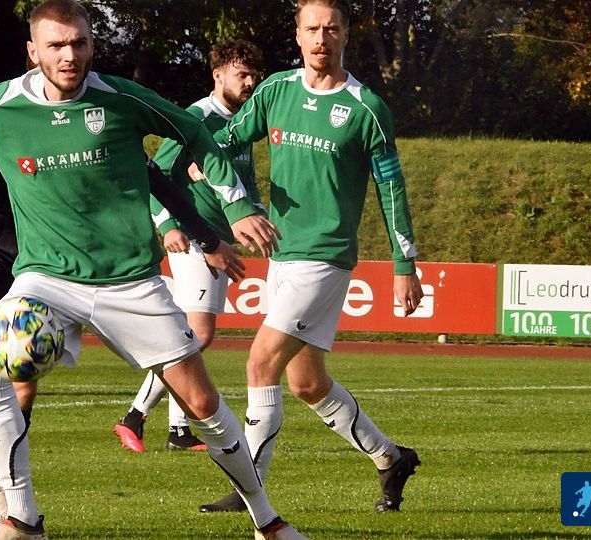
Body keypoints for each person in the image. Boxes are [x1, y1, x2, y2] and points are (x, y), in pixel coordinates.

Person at [0, 1, 308, 538]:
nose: (68, 55)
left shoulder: (121, 99)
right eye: (55, 45)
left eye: (78, 43)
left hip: (131, 281)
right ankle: (21, 519)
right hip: (45, 277)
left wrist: (233, 210)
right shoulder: (2, 105)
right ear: (33, 52)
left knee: (202, 404)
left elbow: (194, 133)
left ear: (92, 45)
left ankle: (267, 521)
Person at [196, 0, 424, 515]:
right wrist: (204, 164)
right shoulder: (275, 91)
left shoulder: (366, 108)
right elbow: (224, 140)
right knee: (307, 383)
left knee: (260, 361)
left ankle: (249, 488)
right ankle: (391, 458)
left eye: (331, 29)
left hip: (326, 257)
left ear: (346, 35)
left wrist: (404, 265)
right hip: (282, 254)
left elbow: (392, 189)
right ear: (297, 35)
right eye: (312, 29)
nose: (321, 38)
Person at [0, 150, 244, 534]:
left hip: (44, 263)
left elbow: (151, 177)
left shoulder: (96, 137)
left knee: (23, 386)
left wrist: (206, 236)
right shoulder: (10, 127)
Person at [113, 38, 265, 453]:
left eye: (254, 75)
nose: (250, 82)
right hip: (195, 238)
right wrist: (166, 224)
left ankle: (178, 432)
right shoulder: (198, 117)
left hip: (219, 239)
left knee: (187, 335)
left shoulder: (242, 122)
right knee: (198, 333)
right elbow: (154, 172)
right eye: (241, 74)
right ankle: (134, 415)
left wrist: (256, 214)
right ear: (218, 75)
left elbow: (243, 179)